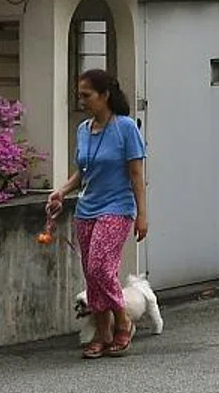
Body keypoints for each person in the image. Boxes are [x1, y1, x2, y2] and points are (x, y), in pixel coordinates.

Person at [47, 68, 148, 358]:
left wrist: (142, 214)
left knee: (100, 268)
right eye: (79, 95)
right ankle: (103, 333)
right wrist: (62, 192)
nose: (82, 101)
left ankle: (123, 319)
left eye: (87, 95)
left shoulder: (126, 127)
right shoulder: (84, 130)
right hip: (86, 208)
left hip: (118, 207)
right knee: (92, 276)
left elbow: (136, 173)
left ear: (104, 96)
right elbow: (83, 171)